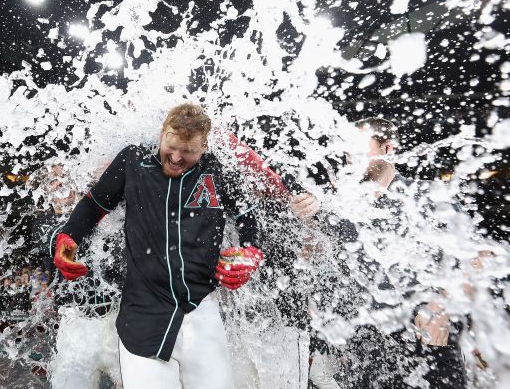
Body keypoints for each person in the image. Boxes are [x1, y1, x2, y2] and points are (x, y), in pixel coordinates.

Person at [53, 103, 265, 388]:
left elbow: (249, 217)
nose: (176, 158)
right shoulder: (132, 160)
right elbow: (93, 204)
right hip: (142, 314)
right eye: (171, 145)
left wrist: (251, 253)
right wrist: (69, 237)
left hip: (200, 312)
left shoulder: (219, 168)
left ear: (204, 145)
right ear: (162, 132)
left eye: (188, 151)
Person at [291, 117, 467, 389]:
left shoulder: (427, 196)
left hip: (425, 342)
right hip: (364, 350)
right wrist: (309, 221)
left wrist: (440, 307)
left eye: (360, 151)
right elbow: (312, 263)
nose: (351, 159)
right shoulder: (339, 207)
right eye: (348, 152)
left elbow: (470, 260)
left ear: (388, 149)